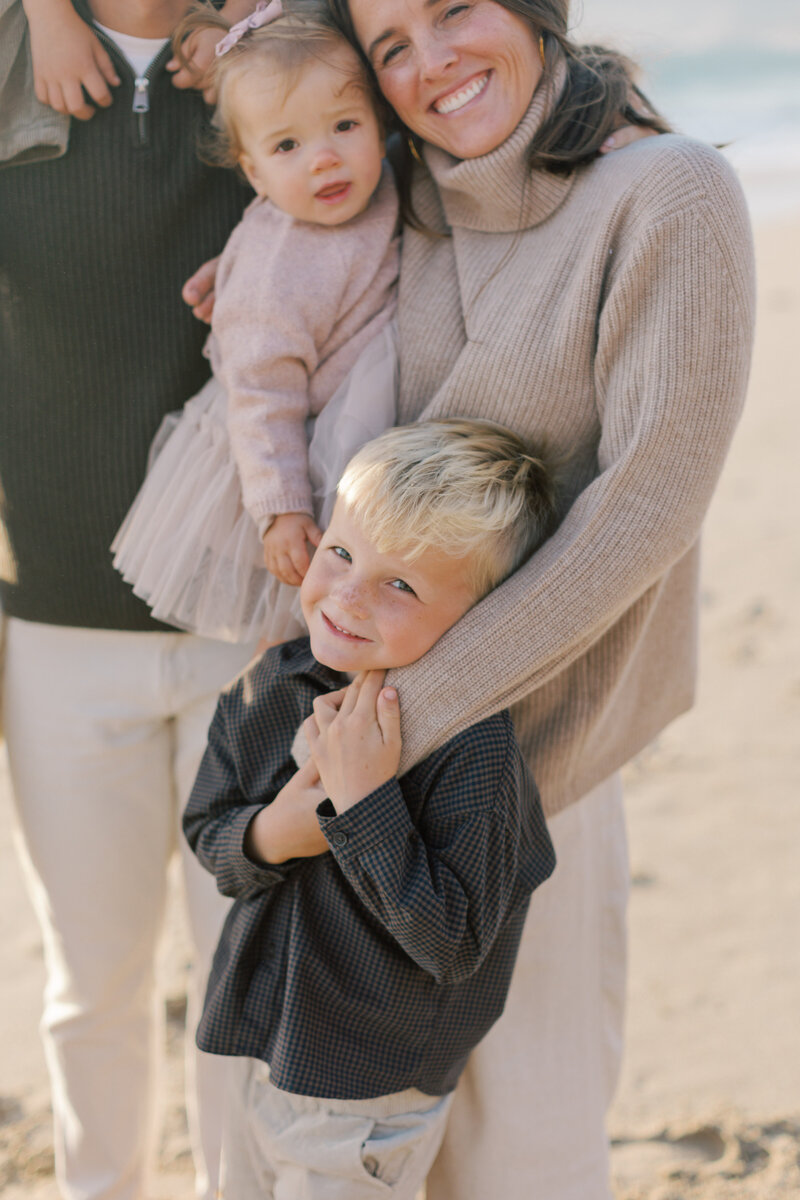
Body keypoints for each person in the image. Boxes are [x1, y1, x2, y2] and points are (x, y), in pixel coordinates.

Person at [177, 0, 756, 1195]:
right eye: (390, 45)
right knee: (348, 1148)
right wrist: (248, 274)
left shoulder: (669, 192)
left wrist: (396, 726)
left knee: (522, 1159)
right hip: (357, 767)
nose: (428, 60)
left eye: (453, 11)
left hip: (525, 771)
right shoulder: (419, 197)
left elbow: (642, 509)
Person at [0, 1, 261, 1196]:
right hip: (53, 621)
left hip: (244, 625)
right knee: (88, 984)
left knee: (239, 985)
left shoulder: (282, 45)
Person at [184, 418, 559, 1199]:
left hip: (368, 1087)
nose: (349, 597)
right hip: (249, 1041)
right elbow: (206, 833)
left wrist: (364, 803)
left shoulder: (474, 750)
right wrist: (271, 834)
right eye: (342, 554)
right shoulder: (268, 687)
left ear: (476, 616)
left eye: (402, 585)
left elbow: (454, 946)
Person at [112, 0, 400, 645]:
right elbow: (261, 394)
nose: (323, 159)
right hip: (283, 454)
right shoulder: (276, 270)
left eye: (345, 125)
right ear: (254, 173)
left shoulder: (382, 182)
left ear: (381, 125)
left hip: (344, 423)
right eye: (288, 145)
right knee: (300, 606)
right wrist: (281, 509)